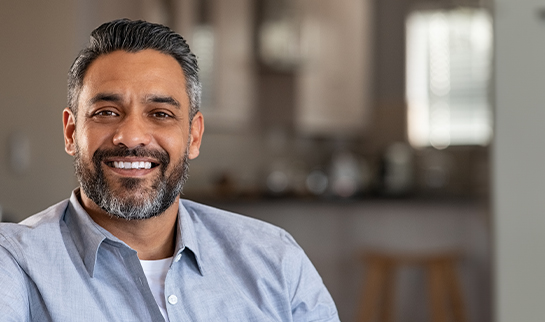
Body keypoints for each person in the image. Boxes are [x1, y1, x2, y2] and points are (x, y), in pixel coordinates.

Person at [0, 19, 339, 321]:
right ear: (72, 132)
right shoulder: (14, 263)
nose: (130, 136)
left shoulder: (275, 258)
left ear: (193, 135)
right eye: (106, 112)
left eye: (160, 113)